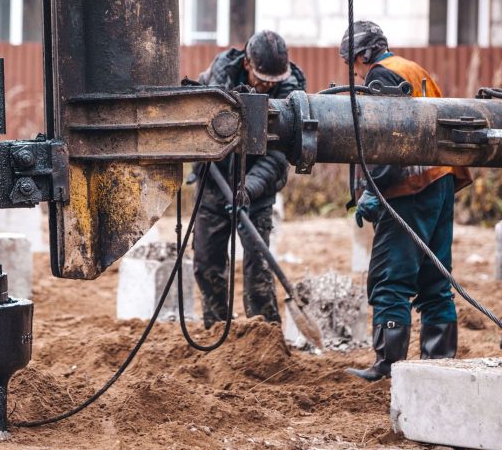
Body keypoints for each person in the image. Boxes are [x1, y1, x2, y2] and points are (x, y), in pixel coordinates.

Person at [338, 21, 473, 381]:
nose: (353, 71)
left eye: (353, 61)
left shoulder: (380, 76)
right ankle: (438, 366)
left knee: (389, 278)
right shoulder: (415, 70)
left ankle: (388, 367)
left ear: (364, 54)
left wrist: (372, 193)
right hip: (441, 182)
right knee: (435, 279)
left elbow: (388, 139)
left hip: (410, 189)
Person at [192, 30, 307, 328]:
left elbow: (278, 158)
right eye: (262, 79)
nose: (269, 86)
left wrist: (249, 190)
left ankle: (263, 333)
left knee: (258, 265)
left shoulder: (291, 97)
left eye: (274, 81)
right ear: (246, 64)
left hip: (256, 191)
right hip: (213, 184)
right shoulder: (216, 82)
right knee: (207, 263)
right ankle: (215, 328)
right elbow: (197, 128)